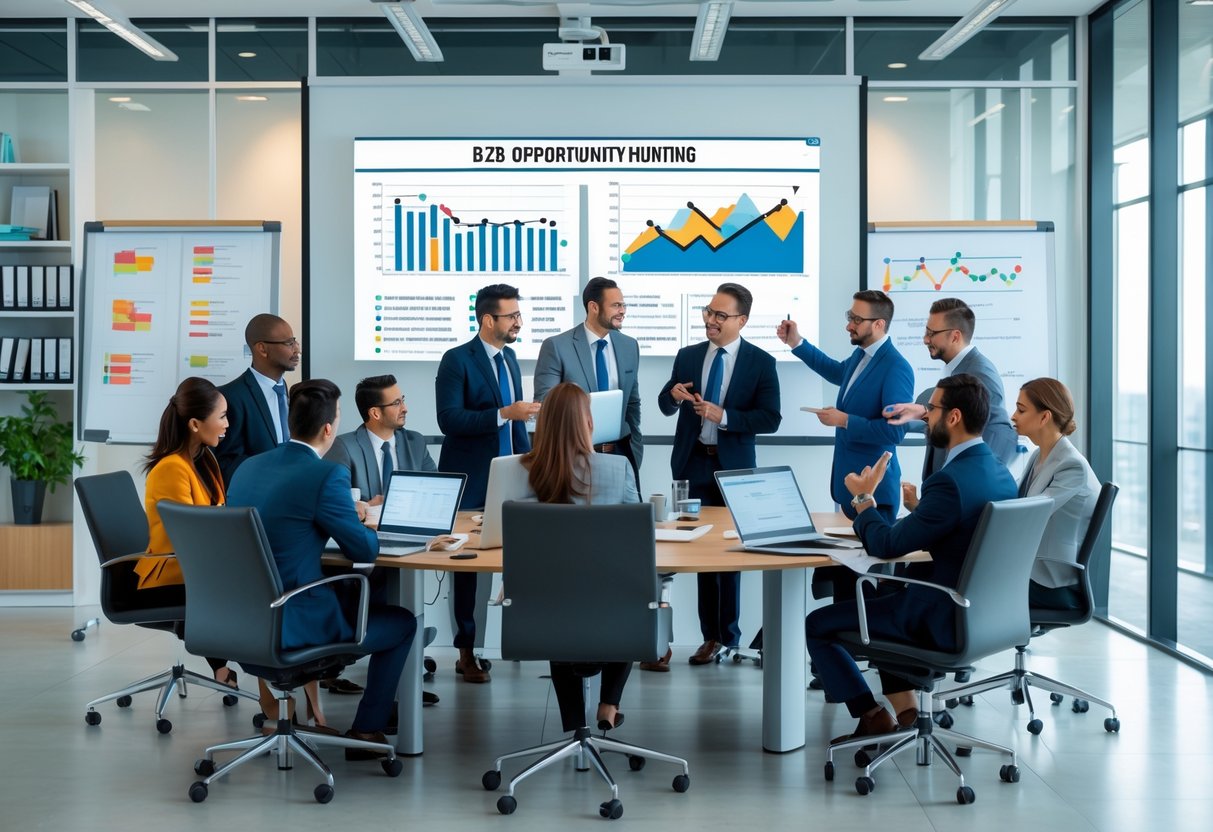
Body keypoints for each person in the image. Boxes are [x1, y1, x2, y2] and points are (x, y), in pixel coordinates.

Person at [805, 374, 1017, 742]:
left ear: (953, 417)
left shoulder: (949, 481)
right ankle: (905, 709)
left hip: (937, 617)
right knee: (873, 599)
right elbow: (955, 529)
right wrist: (920, 511)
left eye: (931, 409)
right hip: (983, 615)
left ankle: (872, 714)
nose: (924, 417)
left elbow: (885, 546)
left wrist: (863, 500)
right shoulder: (1000, 472)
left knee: (818, 624)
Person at [227, 379, 417, 759]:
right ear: (328, 428)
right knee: (402, 623)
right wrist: (363, 521)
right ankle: (366, 731)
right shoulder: (326, 475)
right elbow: (362, 549)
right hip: (295, 624)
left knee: (351, 596)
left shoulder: (249, 467)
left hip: (238, 622)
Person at [504, 382, 640, 732]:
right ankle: (608, 706)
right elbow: (640, 536)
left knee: (557, 598)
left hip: (543, 618)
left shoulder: (520, 470)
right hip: (612, 618)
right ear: (588, 424)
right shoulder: (618, 467)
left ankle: (573, 726)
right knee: (633, 594)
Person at [659, 282, 781, 666]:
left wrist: (724, 417)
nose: (711, 320)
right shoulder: (689, 355)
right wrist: (673, 395)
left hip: (734, 470)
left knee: (730, 555)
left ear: (741, 320)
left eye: (720, 315)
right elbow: (665, 403)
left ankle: (728, 636)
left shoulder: (761, 362)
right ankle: (710, 636)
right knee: (698, 553)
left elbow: (771, 418)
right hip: (691, 463)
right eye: (708, 312)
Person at [435, 283, 541, 683]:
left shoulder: (510, 358)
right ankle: (466, 651)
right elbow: (449, 420)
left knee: (518, 558)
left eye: (518, 314)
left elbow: (514, 420)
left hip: (514, 474)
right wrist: (502, 413)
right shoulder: (456, 360)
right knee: (469, 569)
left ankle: (522, 640)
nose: (518, 322)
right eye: (511, 315)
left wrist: (531, 459)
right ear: (487, 319)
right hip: (474, 478)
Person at [324, 373, 439, 703]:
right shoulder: (344, 447)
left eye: (402, 400)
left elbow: (433, 488)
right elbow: (341, 503)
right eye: (397, 402)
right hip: (363, 551)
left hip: (410, 542)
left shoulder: (414, 442)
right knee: (393, 608)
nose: (404, 407)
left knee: (400, 603)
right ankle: (392, 695)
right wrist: (365, 506)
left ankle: (401, 688)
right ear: (375, 413)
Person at [776, 289, 914, 526]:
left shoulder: (896, 367)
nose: (849, 326)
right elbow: (836, 371)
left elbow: (895, 432)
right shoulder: (861, 356)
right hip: (850, 490)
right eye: (850, 317)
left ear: (879, 324)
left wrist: (844, 420)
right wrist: (796, 342)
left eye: (857, 320)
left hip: (874, 495)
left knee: (868, 561)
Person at [139, 377, 236, 691]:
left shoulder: (204, 460)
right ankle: (264, 681)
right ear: (195, 423)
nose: (227, 424)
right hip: (170, 573)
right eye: (221, 416)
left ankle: (226, 667)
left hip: (196, 567)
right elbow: (191, 533)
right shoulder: (171, 468)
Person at [884, 297, 1017, 481]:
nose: (925, 339)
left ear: (955, 336)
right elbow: (952, 424)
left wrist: (973, 483)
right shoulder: (956, 369)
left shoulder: (980, 374)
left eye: (932, 333)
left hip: (960, 490)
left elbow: (1001, 433)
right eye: (926, 331)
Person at [534, 276, 643, 484]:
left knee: (626, 516)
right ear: (594, 307)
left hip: (620, 456)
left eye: (623, 305)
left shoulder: (629, 346)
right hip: (571, 459)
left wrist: (636, 451)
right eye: (616, 305)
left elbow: (632, 403)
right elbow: (545, 406)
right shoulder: (557, 347)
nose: (623, 311)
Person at [1010, 377, 1100, 610]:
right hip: (1029, 569)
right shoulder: (1039, 456)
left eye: (1021, 410)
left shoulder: (1071, 466)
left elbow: (1029, 514)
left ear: (1044, 417)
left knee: (969, 585)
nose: (1013, 416)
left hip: (1049, 581)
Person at [215, 313, 301, 487]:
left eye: (295, 341)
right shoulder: (230, 397)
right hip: (255, 502)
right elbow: (227, 463)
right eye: (289, 343)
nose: (297, 349)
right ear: (262, 349)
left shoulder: (290, 392)